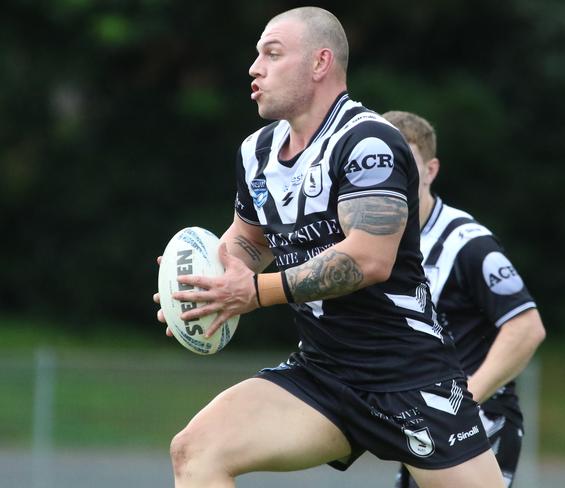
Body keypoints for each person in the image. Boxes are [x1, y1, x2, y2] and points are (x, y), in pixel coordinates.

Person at [154, 7, 506, 487]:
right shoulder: (256, 153)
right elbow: (248, 241)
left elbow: (368, 259)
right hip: (323, 374)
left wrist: (253, 292)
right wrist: (207, 286)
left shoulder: (368, 142)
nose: (255, 67)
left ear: (320, 63)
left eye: (273, 54)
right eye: (257, 54)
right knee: (195, 451)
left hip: (410, 376)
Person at [382, 110, 546, 488]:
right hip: (423, 431)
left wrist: (462, 403)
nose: (395, 176)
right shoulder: (375, 244)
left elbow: (525, 327)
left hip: (478, 425)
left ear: (431, 170)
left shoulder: (467, 244)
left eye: (406, 163)